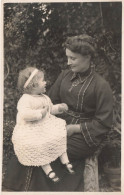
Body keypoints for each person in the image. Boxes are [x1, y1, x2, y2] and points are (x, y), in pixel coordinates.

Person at [3, 34, 113, 191]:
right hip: (57, 126)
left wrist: (73, 128)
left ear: (87, 57)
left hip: (84, 136)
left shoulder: (101, 86)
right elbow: (50, 101)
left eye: (73, 58)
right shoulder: (65, 75)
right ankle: (19, 189)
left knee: (46, 149)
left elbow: (103, 123)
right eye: (67, 57)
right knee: (27, 143)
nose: (68, 62)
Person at [12, 67, 75, 183]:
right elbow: (25, 114)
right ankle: (47, 168)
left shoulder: (44, 97)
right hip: (31, 128)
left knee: (59, 134)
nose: (45, 82)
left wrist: (59, 108)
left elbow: (50, 109)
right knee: (39, 144)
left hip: (46, 125)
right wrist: (39, 113)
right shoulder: (25, 99)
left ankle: (65, 160)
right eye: (42, 80)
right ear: (33, 85)